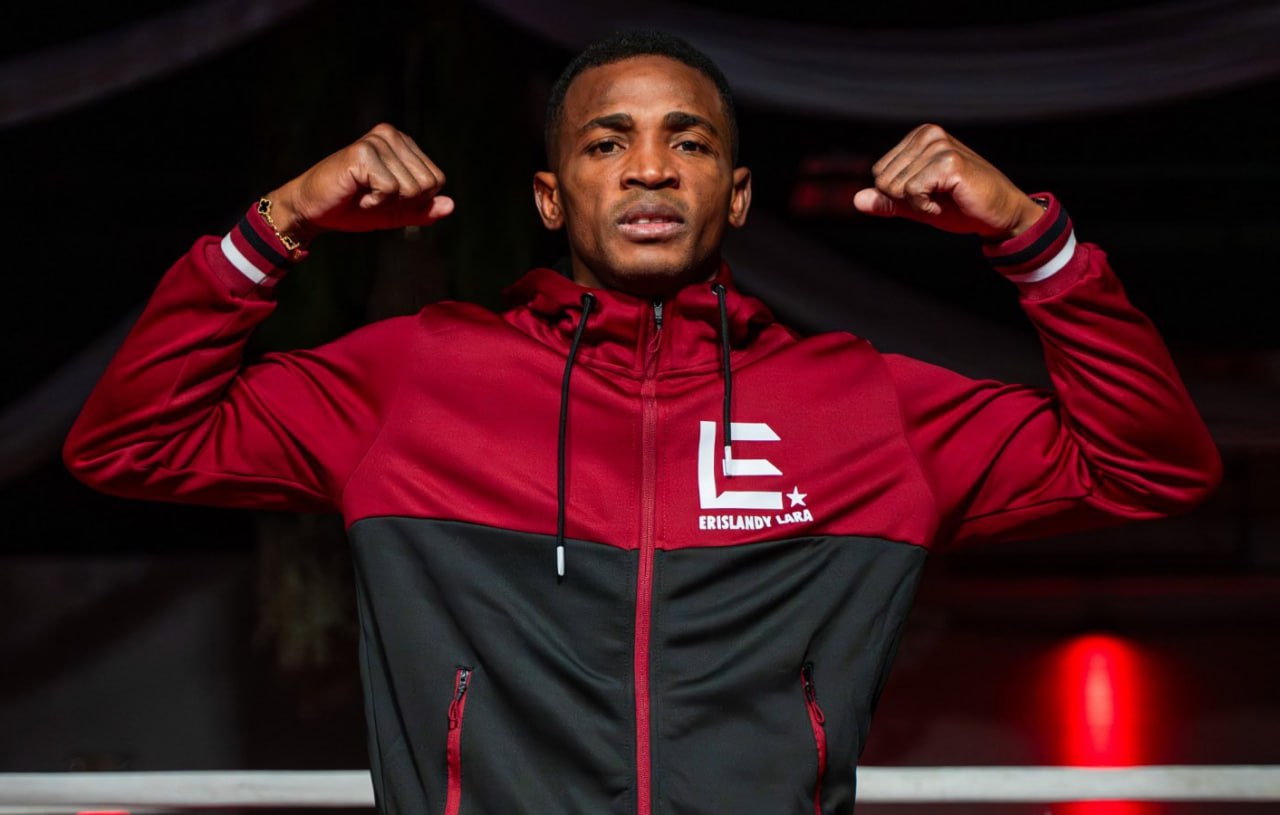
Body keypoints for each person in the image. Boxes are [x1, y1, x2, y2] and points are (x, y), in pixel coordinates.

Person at [63, 30, 1220, 815]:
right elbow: (129, 440)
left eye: (690, 141)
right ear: (550, 195)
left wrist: (1028, 240)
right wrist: (276, 226)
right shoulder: (418, 377)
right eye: (606, 141)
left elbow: (1147, 465)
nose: (651, 168)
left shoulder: (862, 403)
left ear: (737, 194)